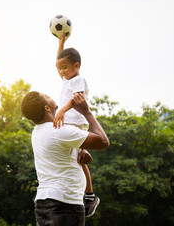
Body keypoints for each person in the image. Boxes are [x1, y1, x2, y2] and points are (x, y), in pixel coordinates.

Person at [21, 91, 109, 226]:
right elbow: (103, 141)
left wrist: (81, 149)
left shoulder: (37, 133)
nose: (51, 95)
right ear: (47, 108)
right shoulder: (60, 131)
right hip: (65, 204)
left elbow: (62, 149)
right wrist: (87, 112)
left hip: (43, 204)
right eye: (47, 96)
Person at [53, 34, 99, 217]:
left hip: (78, 124)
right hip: (68, 124)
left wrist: (62, 110)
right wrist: (61, 43)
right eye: (59, 69)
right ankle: (86, 193)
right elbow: (59, 61)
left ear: (76, 66)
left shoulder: (78, 80)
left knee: (80, 160)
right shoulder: (67, 79)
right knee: (75, 159)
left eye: (64, 68)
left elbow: (76, 99)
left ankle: (90, 195)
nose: (61, 71)